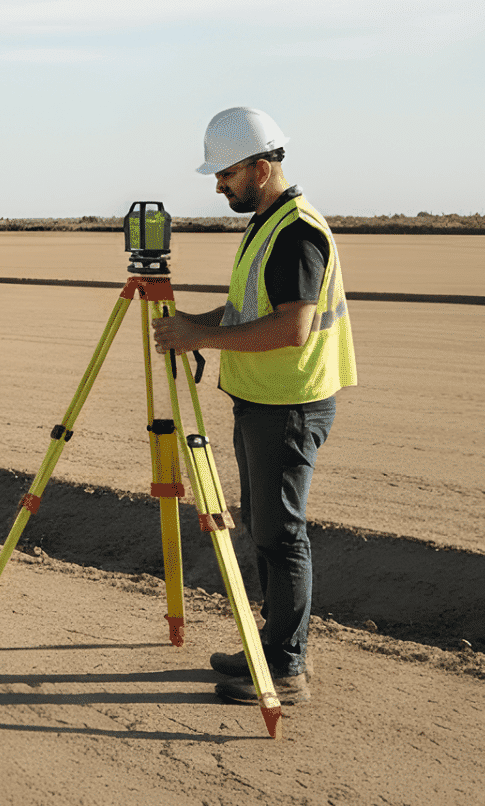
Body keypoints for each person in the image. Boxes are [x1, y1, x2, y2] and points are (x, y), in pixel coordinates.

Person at [151, 107, 357, 707]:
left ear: (261, 169)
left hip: (289, 405)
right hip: (264, 401)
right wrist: (196, 324)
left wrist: (200, 337)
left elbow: (292, 328)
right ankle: (272, 646)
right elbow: (251, 310)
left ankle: (286, 667)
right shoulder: (268, 224)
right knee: (267, 532)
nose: (219, 186)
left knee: (281, 536)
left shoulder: (296, 232)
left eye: (226, 174)